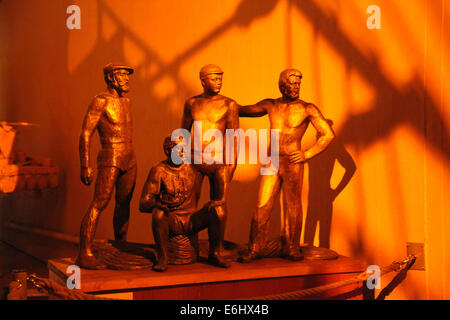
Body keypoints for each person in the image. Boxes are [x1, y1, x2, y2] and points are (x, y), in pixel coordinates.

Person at [238, 68, 335, 262]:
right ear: (282, 85)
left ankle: (292, 247)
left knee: (293, 206)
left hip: (292, 161)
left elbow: (328, 135)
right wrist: (224, 103)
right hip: (272, 160)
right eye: (292, 83)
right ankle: (255, 248)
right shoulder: (271, 105)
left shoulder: (308, 108)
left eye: (298, 83)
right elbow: (245, 109)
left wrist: (306, 154)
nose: (296, 86)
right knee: (262, 205)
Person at [76, 63, 137, 269]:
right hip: (110, 155)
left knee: (123, 203)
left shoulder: (126, 101)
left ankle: (121, 246)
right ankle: (84, 252)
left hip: (129, 156)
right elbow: (86, 133)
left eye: (128, 75)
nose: (127, 79)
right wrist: (85, 165)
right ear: (111, 78)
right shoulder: (100, 101)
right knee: (99, 202)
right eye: (122, 75)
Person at [179, 64, 240, 268]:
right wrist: (180, 163)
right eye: (214, 78)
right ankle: (190, 247)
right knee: (189, 206)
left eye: (221, 78)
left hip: (219, 161)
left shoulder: (229, 105)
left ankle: (216, 250)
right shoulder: (192, 103)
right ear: (203, 80)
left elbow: (233, 141)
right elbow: (183, 134)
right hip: (194, 160)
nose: (219, 81)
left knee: (219, 207)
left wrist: (229, 170)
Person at [140, 137, 231, 271]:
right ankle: (163, 257)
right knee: (158, 214)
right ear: (167, 150)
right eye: (178, 150)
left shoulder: (193, 165)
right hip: (171, 218)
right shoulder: (158, 170)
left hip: (192, 219)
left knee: (218, 210)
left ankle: (215, 253)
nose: (182, 153)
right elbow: (143, 203)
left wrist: (220, 197)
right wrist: (160, 203)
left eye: (184, 150)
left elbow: (221, 167)